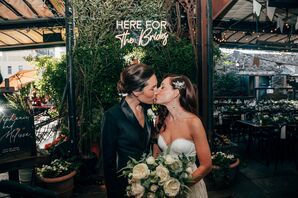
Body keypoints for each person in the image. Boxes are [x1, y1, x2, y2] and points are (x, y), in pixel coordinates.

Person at [101, 63, 158, 198]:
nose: (157, 92)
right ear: (137, 91)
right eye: (153, 88)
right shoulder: (112, 116)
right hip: (124, 186)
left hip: (148, 184)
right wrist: (114, 193)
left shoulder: (147, 109)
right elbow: (108, 162)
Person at [155, 74, 212, 198]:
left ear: (176, 92)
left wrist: (179, 186)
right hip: (164, 186)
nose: (156, 90)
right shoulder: (160, 120)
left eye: (162, 87)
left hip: (190, 186)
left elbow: (206, 165)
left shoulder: (193, 122)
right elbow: (157, 155)